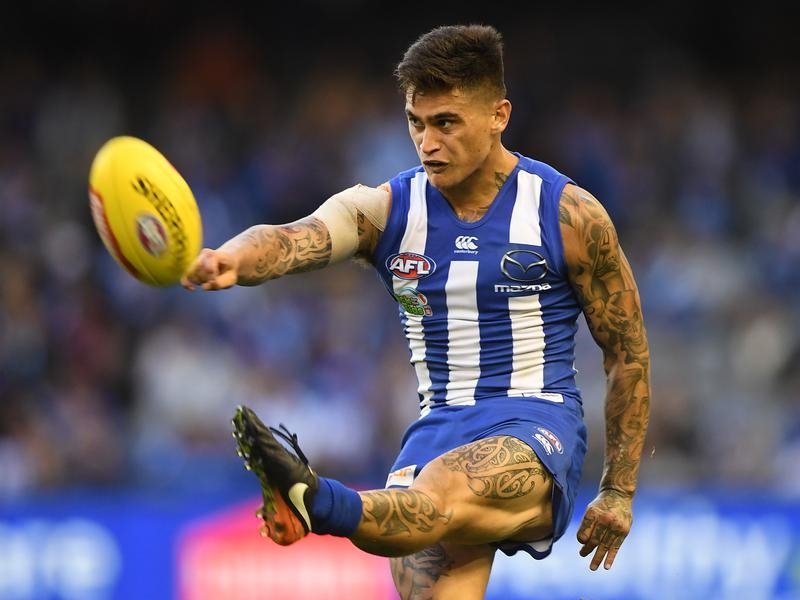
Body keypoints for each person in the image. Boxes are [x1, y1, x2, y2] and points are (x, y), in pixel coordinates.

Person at [182, 23, 651, 600]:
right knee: (421, 519)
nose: (428, 143)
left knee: (439, 492)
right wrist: (230, 259)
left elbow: (627, 353)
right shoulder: (387, 210)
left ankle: (314, 500)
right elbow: (295, 237)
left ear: (499, 115)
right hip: (436, 430)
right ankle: (315, 501)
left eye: (446, 123)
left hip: (534, 423)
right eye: (416, 123)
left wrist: (618, 490)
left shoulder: (568, 215)